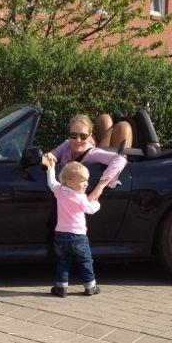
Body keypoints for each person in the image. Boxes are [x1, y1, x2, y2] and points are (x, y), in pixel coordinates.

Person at [45, 153, 126, 297]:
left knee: (62, 262)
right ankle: (90, 287)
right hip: (78, 237)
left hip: (60, 235)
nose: (86, 184)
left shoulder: (59, 191)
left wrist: (50, 168)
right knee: (85, 261)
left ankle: (61, 288)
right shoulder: (80, 198)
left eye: (86, 180)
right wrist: (97, 204)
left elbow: (51, 182)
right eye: (83, 181)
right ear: (70, 183)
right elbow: (90, 210)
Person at [43, 113, 131, 184]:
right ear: (68, 135)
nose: (78, 140)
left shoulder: (92, 153)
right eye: (73, 135)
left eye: (83, 136)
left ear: (89, 136)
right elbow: (50, 156)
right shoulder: (66, 145)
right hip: (62, 193)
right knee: (104, 119)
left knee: (122, 126)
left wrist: (100, 187)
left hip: (84, 196)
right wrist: (48, 157)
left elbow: (120, 159)